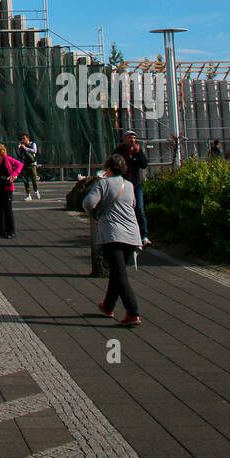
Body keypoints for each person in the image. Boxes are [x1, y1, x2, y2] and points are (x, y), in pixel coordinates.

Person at [83, 154, 142, 326]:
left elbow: (88, 203)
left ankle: (133, 311)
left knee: (119, 273)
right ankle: (108, 305)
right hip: (131, 233)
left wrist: (96, 215)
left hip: (112, 233)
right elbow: (133, 205)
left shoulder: (103, 183)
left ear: (108, 168)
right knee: (118, 271)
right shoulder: (129, 185)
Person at [113, 130, 150, 246]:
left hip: (135, 184)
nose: (132, 140)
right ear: (125, 139)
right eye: (130, 138)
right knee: (122, 209)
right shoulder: (120, 151)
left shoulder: (137, 150)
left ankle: (144, 235)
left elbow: (144, 165)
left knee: (139, 209)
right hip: (122, 185)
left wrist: (138, 154)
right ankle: (123, 234)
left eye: (134, 138)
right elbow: (115, 164)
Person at [0, 143, 23, 238]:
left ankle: (11, 231)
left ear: (1, 149)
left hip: (7, 187)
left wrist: (14, 174)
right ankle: (1, 231)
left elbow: (19, 164)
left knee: (7, 210)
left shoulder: (6, 159)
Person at [18, 133, 41, 201]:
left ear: (27, 138)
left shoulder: (33, 144)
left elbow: (34, 151)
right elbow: (19, 153)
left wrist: (26, 148)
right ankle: (28, 195)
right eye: (22, 138)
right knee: (25, 180)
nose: (23, 140)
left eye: (24, 138)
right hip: (25, 164)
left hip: (32, 164)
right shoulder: (22, 146)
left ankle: (36, 191)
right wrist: (19, 147)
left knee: (34, 179)